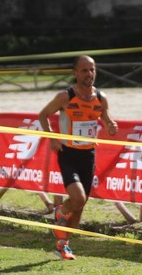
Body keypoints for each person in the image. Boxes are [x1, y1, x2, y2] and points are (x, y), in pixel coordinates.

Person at [39, 55, 118, 260]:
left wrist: (111, 126)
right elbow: (43, 114)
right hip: (69, 154)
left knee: (80, 206)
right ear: (75, 73)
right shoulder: (66, 96)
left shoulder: (101, 97)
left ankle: (63, 245)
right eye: (84, 70)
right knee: (78, 198)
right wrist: (52, 138)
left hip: (89, 155)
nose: (89, 74)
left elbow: (107, 119)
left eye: (92, 69)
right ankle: (60, 212)